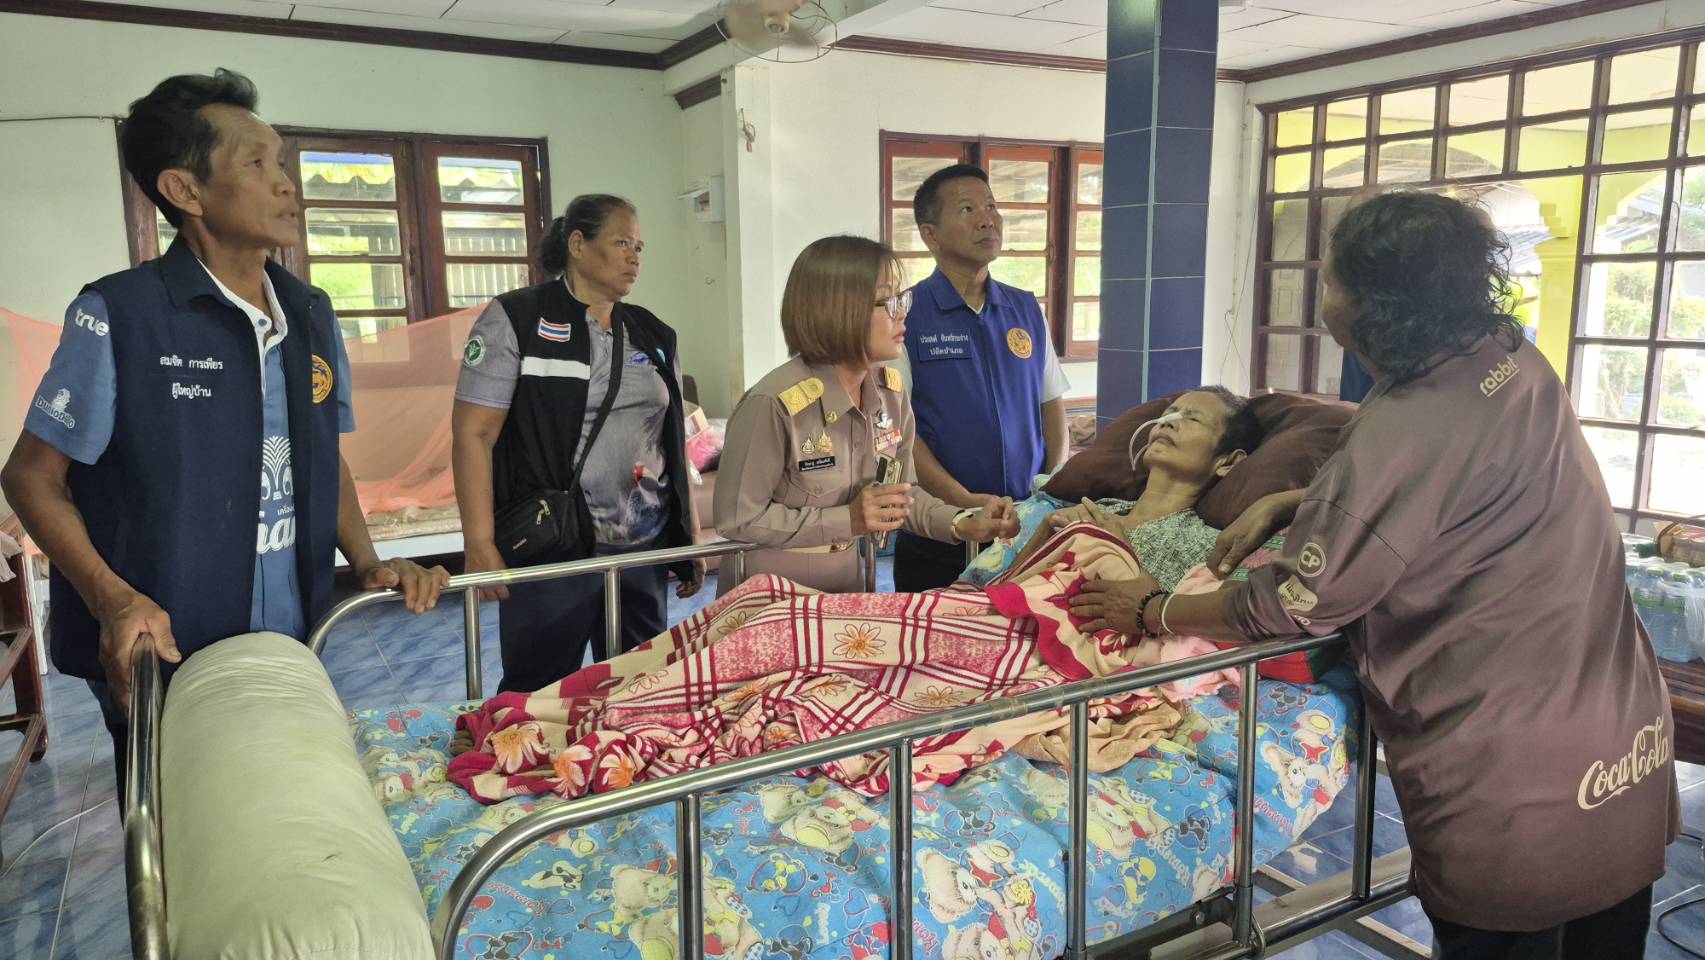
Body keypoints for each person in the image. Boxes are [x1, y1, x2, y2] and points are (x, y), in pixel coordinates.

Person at [1071, 191, 1677, 959]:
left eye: (1329, 284)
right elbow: (1455, 488)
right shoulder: (1509, 356)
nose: (1321, 302)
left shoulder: (1400, 430)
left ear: (1373, 307)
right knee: (1604, 931)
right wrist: (1303, 501)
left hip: (1510, 764)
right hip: (1615, 724)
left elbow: (1297, 604)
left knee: (1509, 934)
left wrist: (1153, 608)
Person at [0, 69, 448, 801]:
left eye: (282, 161)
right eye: (257, 162)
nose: (286, 182)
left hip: (289, 638)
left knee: (277, 807)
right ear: (185, 190)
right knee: (179, 828)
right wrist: (114, 600)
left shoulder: (311, 312)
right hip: (163, 645)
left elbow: (321, 458)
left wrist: (368, 561)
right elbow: (29, 476)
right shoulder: (121, 314)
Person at [453, 194, 704, 693]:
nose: (634, 257)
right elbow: (473, 433)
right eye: (621, 243)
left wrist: (688, 536)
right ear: (577, 245)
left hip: (641, 550)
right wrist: (479, 542)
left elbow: (670, 441)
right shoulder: (517, 320)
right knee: (539, 693)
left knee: (639, 690)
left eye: (639, 247)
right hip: (555, 550)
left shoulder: (654, 334)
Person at [715, 235, 1020, 594]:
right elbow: (738, 517)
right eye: (887, 302)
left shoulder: (890, 394)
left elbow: (901, 496)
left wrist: (962, 521)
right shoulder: (774, 404)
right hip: (771, 598)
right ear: (837, 310)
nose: (902, 312)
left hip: (849, 590)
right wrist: (847, 519)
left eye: (902, 299)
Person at [895, 164, 1072, 592]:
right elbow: (900, 431)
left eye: (991, 206)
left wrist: (1050, 489)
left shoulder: (1024, 309)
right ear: (930, 234)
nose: (987, 220)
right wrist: (963, 502)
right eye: (967, 209)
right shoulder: (906, 315)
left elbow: (1052, 406)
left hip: (1026, 529)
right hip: (941, 529)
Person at [1007, 387, 1261, 591]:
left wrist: (1121, 548)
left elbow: (1165, 622)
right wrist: (1046, 531)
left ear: (1227, 462)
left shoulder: (1203, 545)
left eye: (1192, 418)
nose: (1169, 423)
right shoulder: (1103, 509)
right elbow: (1004, 589)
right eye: (1169, 414)